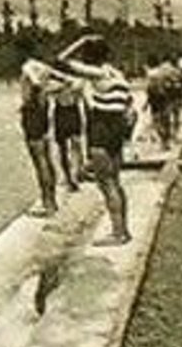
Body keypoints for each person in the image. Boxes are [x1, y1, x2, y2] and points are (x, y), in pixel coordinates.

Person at [55, 33, 134, 245]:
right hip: (116, 126)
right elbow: (128, 104)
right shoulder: (118, 74)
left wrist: (80, 40)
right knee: (115, 182)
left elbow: (60, 60)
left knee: (106, 183)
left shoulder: (97, 73)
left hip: (101, 127)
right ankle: (123, 229)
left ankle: (118, 233)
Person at [17, 34, 59, 216]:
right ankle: (52, 200)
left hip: (33, 113)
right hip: (42, 113)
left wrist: (33, 101)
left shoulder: (27, 67)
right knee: (46, 157)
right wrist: (45, 96)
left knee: (39, 159)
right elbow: (62, 82)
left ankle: (47, 202)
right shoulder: (43, 67)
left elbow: (35, 85)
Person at [51, 80, 85, 192]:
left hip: (72, 110)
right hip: (61, 111)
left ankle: (75, 174)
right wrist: (63, 86)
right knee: (63, 148)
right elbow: (47, 90)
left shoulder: (74, 74)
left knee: (76, 143)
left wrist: (65, 87)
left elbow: (80, 89)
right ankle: (69, 176)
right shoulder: (55, 75)